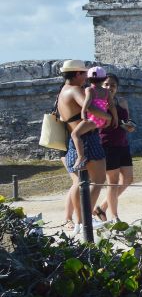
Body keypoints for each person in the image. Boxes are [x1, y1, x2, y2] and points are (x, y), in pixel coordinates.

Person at [56, 60, 109, 234]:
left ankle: (80, 221)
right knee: (98, 179)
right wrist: (108, 116)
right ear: (77, 73)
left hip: (74, 140)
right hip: (87, 138)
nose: (87, 77)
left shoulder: (62, 91)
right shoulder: (75, 90)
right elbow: (92, 109)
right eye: (84, 73)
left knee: (79, 182)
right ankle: (85, 219)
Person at [96, 73, 136, 223]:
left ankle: (102, 207)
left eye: (112, 85)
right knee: (112, 182)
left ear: (117, 88)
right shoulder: (98, 103)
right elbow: (97, 123)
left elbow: (128, 120)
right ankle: (114, 217)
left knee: (128, 178)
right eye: (106, 84)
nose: (109, 87)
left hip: (122, 144)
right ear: (101, 86)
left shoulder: (122, 102)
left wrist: (130, 126)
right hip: (107, 145)